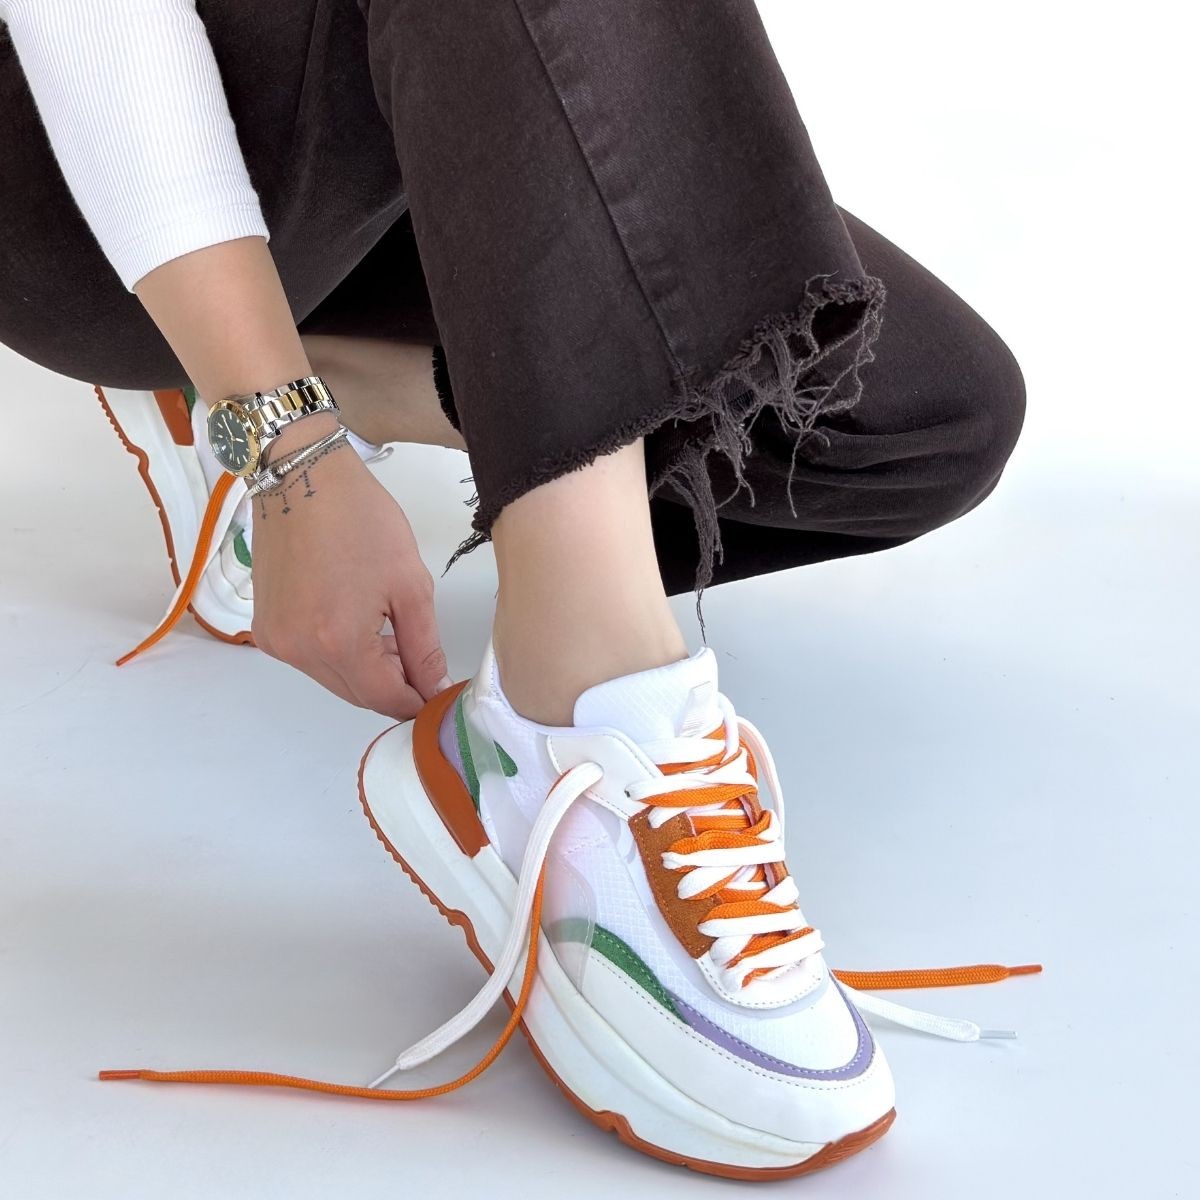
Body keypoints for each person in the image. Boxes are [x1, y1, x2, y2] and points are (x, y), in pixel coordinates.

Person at [0, 0, 1030, 1180]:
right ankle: (571, 702)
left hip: (408, 125)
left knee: (929, 419)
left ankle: (309, 388)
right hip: (71, 171)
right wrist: (291, 455)